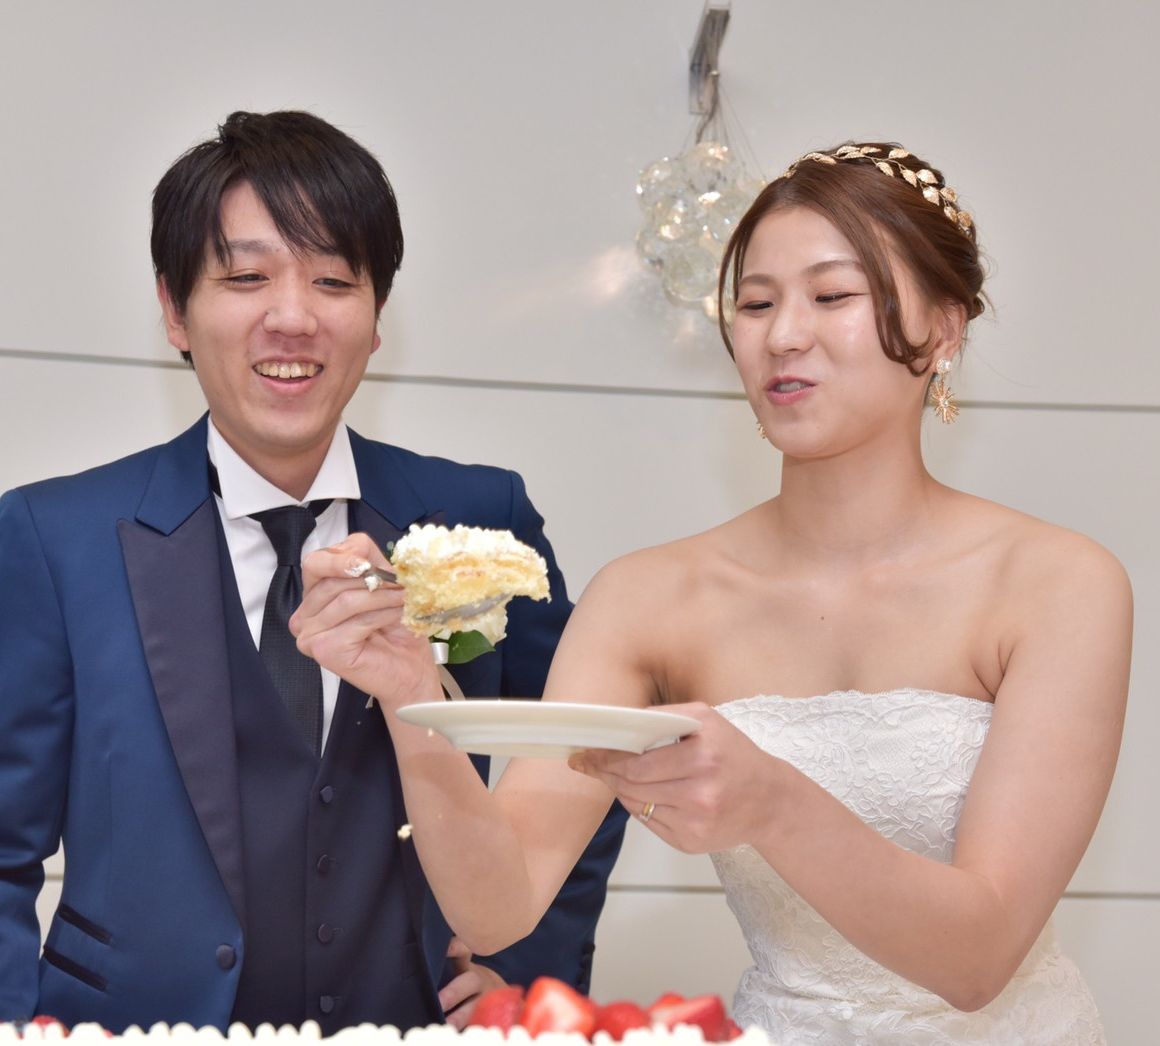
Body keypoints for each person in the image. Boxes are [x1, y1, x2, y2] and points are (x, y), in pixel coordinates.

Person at [293, 141, 1132, 1044]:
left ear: (943, 329)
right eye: (757, 303)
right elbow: (499, 908)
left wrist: (771, 800)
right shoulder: (648, 597)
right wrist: (410, 697)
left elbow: (979, 958)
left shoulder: (1057, 584)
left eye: (833, 297)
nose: (783, 335)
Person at [0, 110, 626, 1034]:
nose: (293, 318)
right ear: (174, 309)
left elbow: (583, 751)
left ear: (376, 317)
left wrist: (529, 975)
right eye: (246, 277)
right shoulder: (56, 536)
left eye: (334, 279)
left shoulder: (478, 519)